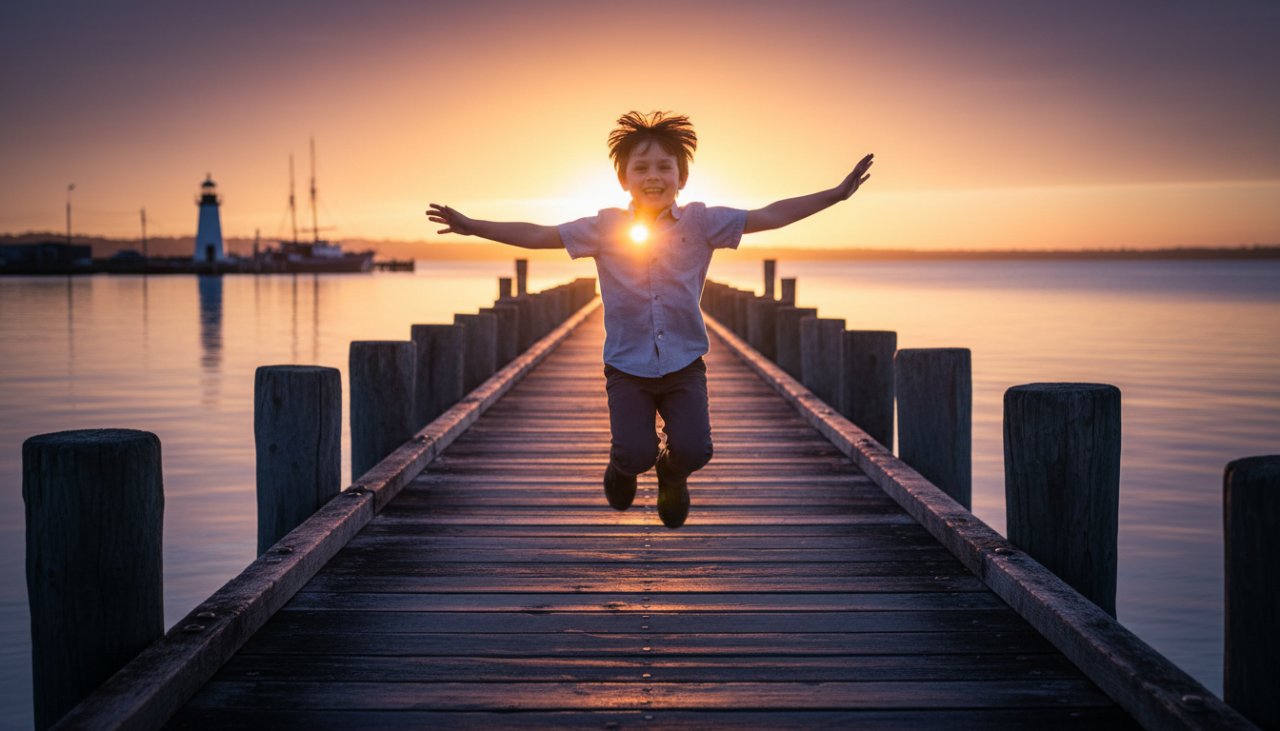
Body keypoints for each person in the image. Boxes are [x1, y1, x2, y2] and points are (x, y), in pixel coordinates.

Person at [427, 111, 872, 529]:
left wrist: (834, 194)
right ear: (624, 179)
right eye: (641, 168)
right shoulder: (603, 228)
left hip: (684, 363)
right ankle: (624, 467)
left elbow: (770, 215)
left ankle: (672, 474)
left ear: (682, 177)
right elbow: (539, 234)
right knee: (634, 452)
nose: (653, 176)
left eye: (665, 167)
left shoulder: (703, 223)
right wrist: (475, 226)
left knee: (697, 450)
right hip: (627, 367)